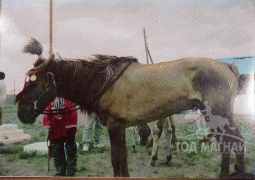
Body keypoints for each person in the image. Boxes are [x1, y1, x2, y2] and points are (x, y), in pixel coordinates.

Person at [43, 97, 78, 177]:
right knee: (57, 150)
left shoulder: (68, 98)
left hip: (67, 127)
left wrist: (70, 124)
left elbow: (72, 111)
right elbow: (47, 112)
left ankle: (71, 171)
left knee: (70, 150)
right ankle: (60, 171)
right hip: (55, 127)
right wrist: (49, 126)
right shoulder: (50, 99)